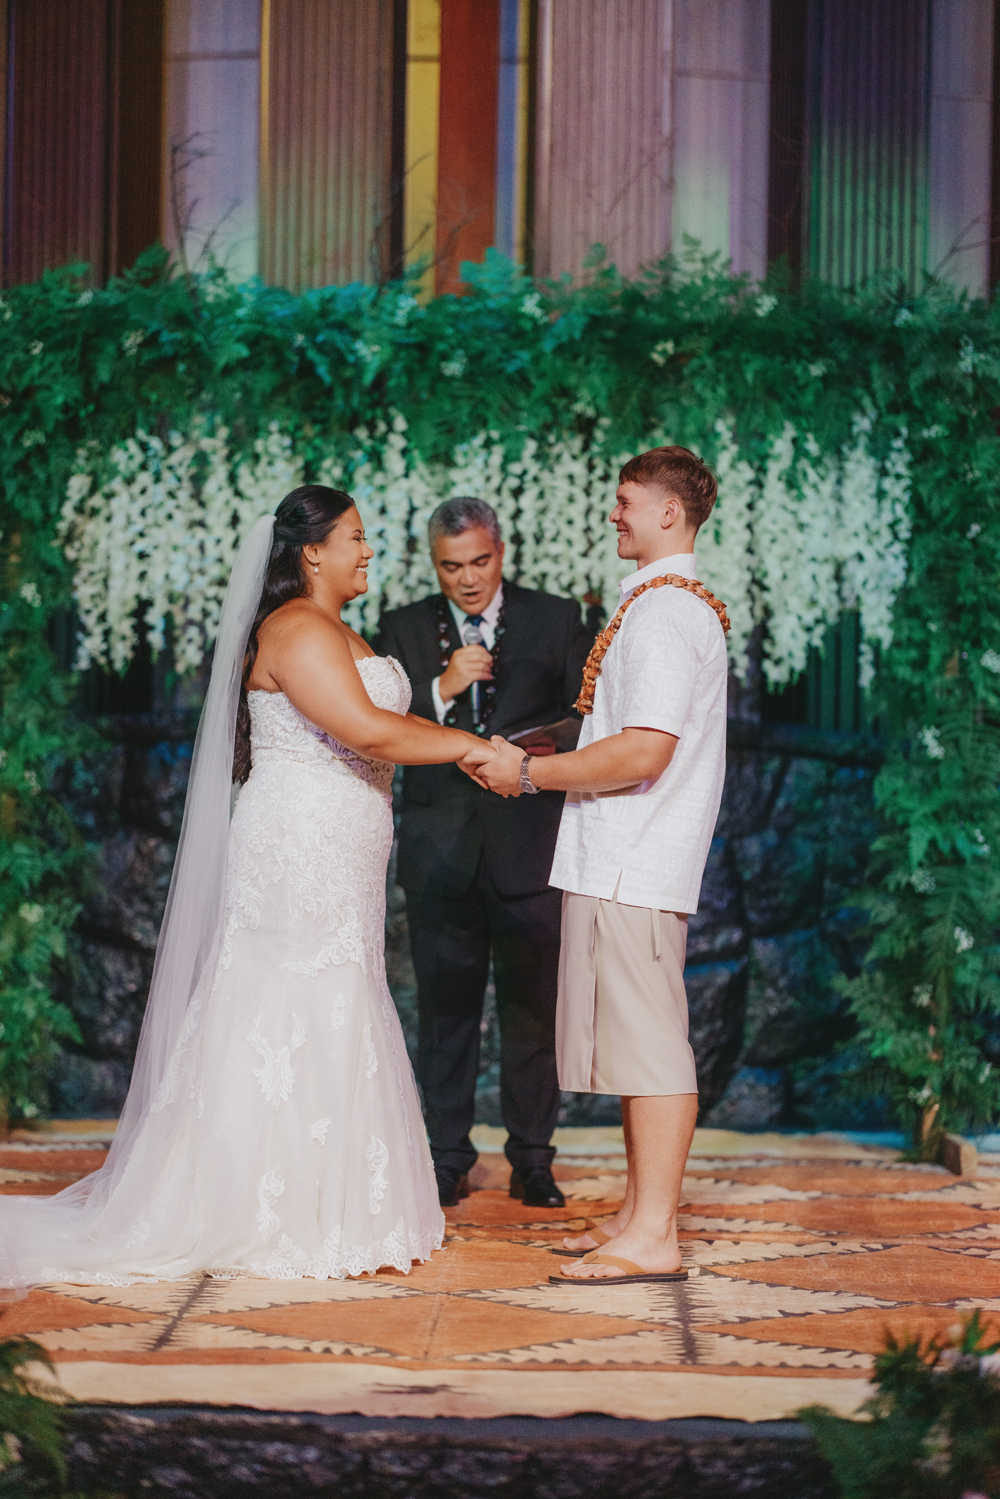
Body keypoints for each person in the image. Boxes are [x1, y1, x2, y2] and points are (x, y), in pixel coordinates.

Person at [0, 486, 491, 1291]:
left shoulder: (340, 628)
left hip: (342, 846)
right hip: (298, 846)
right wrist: (474, 749)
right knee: (285, 999)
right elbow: (366, 728)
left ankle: (334, 1200)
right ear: (313, 553)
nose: (369, 550)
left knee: (339, 991)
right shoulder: (295, 628)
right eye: (356, 537)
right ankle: (267, 1207)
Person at [473, 448, 730, 1284]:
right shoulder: (657, 604)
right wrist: (552, 742)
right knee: (635, 1043)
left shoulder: (666, 613)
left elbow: (646, 749)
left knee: (653, 1048)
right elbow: (622, 727)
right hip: (617, 854)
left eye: (625, 501)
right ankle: (636, 1213)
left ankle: (655, 1234)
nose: (613, 514)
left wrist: (529, 772)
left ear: (668, 512)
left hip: (635, 857)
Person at [376, 499, 592, 1209]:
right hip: (441, 851)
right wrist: (441, 689)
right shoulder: (402, 627)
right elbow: (374, 724)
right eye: (451, 566)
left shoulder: (555, 617)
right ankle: (446, 1158)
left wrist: (530, 754)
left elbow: (586, 718)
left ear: (501, 551)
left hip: (530, 845)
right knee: (445, 1016)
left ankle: (533, 1159)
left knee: (534, 1012)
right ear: (433, 563)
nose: (467, 579)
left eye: (479, 562)